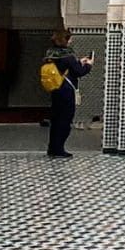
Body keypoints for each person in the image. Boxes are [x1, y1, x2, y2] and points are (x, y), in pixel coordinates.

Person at [41, 28, 93, 160]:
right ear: (66, 40)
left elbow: (64, 67)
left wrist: (78, 62)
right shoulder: (68, 55)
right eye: (70, 38)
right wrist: (89, 65)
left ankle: (52, 148)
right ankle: (59, 149)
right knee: (65, 120)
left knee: (56, 119)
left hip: (55, 89)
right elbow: (79, 72)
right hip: (66, 90)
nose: (72, 40)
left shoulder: (50, 53)